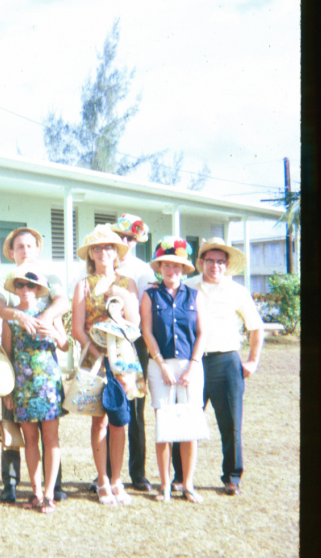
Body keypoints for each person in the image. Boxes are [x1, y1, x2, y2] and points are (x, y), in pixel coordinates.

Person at [171, 237, 264, 496]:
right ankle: (180, 476)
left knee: (230, 422)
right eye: (210, 260)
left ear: (227, 264)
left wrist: (253, 360)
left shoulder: (237, 291)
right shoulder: (187, 286)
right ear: (201, 262)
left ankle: (232, 477)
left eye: (220, 262)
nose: (215, 266)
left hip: (226, 361)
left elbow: (256, 327)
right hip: (192, 363)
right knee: (185, 419)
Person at [0, 227, 69, 503]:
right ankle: (13, 484)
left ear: (37, 249)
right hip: (20, 378)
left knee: (50, 437)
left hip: (47, 376)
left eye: (29, 246)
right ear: (11, 252)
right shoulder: (2, 280)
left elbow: (62, 304)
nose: (24, 250)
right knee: (19, 435)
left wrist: (48, 322)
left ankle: (52, 489)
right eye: (19, 246)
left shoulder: (51, 277)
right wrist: (18, 316)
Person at [71, 224, 140, 506]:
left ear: (116, 252)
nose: (103, 252)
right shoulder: (83, 285)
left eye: (109, 247)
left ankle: (117, 480)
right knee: (99, 420)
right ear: (91, 254)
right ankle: (101, 480)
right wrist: (96, 349)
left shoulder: (128, 283)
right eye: (97, 248)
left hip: (122, 360)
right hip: (96, 360)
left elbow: (135, 323)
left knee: (120, 420)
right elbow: (77, 328)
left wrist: (120, 295)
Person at [139, 236, 207, 504]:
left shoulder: (195, 295)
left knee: (190, 425)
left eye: (176, 266)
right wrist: (161, 364)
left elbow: (202, 333)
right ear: (160, 268)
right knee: (164, 426)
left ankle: (188, 484)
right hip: (161, 367)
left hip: (190, 366)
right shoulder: (150, 295)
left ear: (183, 269)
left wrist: (193, 365)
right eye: (166, 265)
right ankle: (165, 485)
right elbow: (146, 332)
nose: (171, 270)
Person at [109, 214, 157, 493]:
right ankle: (105, 473)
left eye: (130, 238)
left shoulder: (143, 271)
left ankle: (138, 474)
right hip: (105, 340)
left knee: (136, 410)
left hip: (135, 343)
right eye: (120, 236)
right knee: (107, 405)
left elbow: (146, 314)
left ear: (137, 241)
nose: (124, 242)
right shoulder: (99, 264)